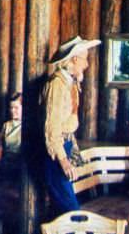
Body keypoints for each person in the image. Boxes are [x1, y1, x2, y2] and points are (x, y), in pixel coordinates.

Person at [42, 36, 101, 216]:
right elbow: (52, 128)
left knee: (62, 210)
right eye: (85, 59)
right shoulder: (57, 85)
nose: (87, 65)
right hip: (56, 154)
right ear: (74, 59)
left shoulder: (69, 82)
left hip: (64, 147)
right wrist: (63, 160)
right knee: (70, 212)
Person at [0, 92, 23, 172]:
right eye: (11, 107)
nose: (13, 111)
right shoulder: (6, 125)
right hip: (6, 160)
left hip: (19, 162)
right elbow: (1, 147)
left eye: (16, 108)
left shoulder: (26, 126)